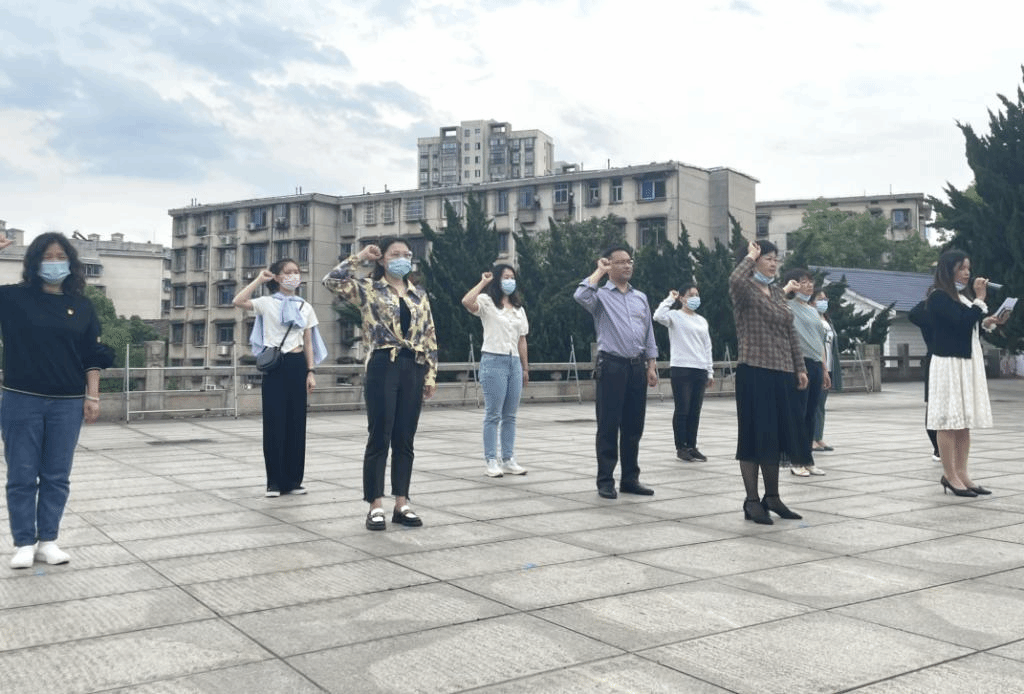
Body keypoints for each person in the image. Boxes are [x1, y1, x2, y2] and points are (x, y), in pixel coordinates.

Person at [1, 232, 113, 569]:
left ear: (71, 262)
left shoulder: (82, 306)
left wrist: (93, 396)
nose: (54, 263)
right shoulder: (13, 298)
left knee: (56, 475)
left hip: (67, 402)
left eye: (59, 256)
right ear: (34, 262)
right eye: (46, 257)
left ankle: (48, 540)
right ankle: (24, 542)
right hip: (22, 398)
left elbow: (92, 354)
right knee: (21, 474)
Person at [323, 239, 437, 530]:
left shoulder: (419, 294)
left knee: (405, 437)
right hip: (383, 364)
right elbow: (331, 281)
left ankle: (402, 503)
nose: (402, 259)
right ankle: (375, 505)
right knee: (379, 436)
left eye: (407, 254)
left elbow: (429, 334)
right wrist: (359, 257)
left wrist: (430, 374)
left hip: (413, 365)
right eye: (395, 254)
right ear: (383, 260)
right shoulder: (368, 289)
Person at [729, 240, 809, 524]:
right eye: (768, 258)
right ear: (754, 261)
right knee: (754, 436)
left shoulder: (776, 291)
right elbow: (735, 279)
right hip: (754, 370)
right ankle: (752, 501)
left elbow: (790, 331)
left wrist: (800, 367)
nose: (774, 263)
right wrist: (750, 256)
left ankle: (772, 497)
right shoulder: (745, 290)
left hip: (782, 371)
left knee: (774, 436)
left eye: (776, 259)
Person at [233, 258, 327, 498]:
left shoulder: (305, 306)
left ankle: (294, 481)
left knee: (297, 423)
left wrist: (311, 371)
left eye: (296, 272)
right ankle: (273, 482)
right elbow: (238, 301)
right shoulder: (266, 303)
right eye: (288, 272)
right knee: (274, 423)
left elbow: (308, 342)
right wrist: (258, 280)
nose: (293, 276)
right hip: (275, 366)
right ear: (277, 277)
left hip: (297, 365)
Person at [573, 246, 659, 499]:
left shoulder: (640, 297)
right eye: (620, 262)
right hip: (612, 366)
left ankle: (630, 479)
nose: (627, 265)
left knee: (634, 426)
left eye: (630, 261)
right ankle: (605, 480)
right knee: (608, 425)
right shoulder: (600, 296)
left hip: (637, 367)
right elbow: (580, 295)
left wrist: (651, 365)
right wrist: (599, 271)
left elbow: (649, 333)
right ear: (609, 265)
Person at [925, 250, 1008, 497]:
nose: (967, 273)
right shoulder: (938, 296)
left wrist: (988, 322)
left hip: (966, 362)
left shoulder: (961, 297)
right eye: (962, 268)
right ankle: (949, 475)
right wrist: (980, 299)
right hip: (948, 363)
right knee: (948, 421)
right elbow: (960, 323)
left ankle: (962, 474)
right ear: (948, 269)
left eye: (968, 268)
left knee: (963, 422)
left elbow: (969, 327)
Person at [461, 265, 530, 477]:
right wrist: (483, 282)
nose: (510, 281)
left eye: (512, 277)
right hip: (493, 360)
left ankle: (508, 459)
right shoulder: (487, 302)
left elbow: (522, 339)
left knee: (510, 415)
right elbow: (466, 301)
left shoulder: (519, 309)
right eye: (505, 277)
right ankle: (491, 460)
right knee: (493, 414)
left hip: (514, 362)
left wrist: (525, 367)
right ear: (497, 280)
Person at [653, 283, 714, 462]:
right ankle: (681, 447)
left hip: (700, 369)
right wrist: (669, 299)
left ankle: (692, 446)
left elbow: (707, 346)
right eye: (691, 295)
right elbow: (657, 316)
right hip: (681, 368)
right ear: (682, 298)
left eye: (697, 295)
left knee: (695, 410)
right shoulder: (674, 316)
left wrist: (709, 371)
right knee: (683, 409)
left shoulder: (702, 320)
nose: (695, 298)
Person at [783, 269, 831, 477]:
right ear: (793, 284)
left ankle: (807, 459)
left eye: (811, 281)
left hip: (816, 363)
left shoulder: (813, 311)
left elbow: (820, 342)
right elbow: (771, 301)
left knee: (811, 414)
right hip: (799, 363)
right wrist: (786, 291)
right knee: (798, 414)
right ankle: (796, 460)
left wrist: (824, 368)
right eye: (803, 282)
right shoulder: (788, 307)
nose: (809, 285)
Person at [908, 297, 941, 462]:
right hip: (934, 360)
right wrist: (931, 298)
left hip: (954, 360)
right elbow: (913, 314)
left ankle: (946, 447)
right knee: (932, 406)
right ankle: (937, 447)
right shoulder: (927, 314)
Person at [811, 289, 842, 452]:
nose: (823, 301)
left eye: (825, 298)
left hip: (828, 366)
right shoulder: (811, 318)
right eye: (820, 298)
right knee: (813, 404)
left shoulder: (827, 320)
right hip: (816, 366)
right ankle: (810, 438)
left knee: (821, 404)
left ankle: (818, 436)